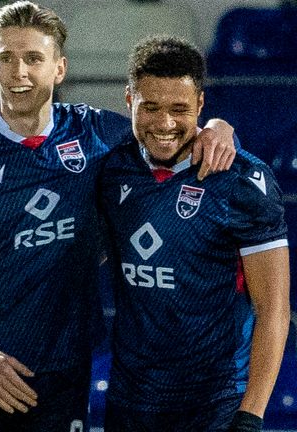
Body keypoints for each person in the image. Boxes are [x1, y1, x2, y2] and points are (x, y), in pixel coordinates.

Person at [0, 2, 236, 430]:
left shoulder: (98, 135)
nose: (19, 72)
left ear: (59, 68)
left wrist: (219, 126)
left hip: (64, 376)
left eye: (34, 58)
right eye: (6, 58)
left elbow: (165, 128)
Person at [97, 36, 290, 432]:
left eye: (179, 109)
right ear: (129, 100)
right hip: (129, 402)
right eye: (150, 107)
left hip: (214, 403)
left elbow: (273, 308)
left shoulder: (242, 182)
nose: (165, 124)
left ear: (201, 104)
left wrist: (251, 416)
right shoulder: (110, 168)